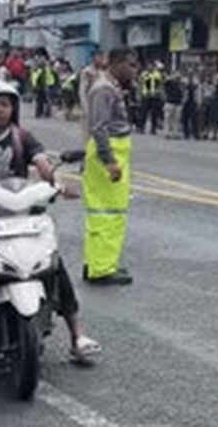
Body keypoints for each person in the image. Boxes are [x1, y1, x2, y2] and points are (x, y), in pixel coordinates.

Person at [0, 80, 101, 363]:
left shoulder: (22, 137)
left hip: (20, 216)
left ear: (13, 108)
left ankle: (78, 335)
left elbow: (41, 161)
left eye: (4, 105)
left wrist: (56, 182)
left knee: (53, 266)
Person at [83, 47, 140, 286]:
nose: (134, 70)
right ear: (116, 64)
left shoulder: (110, 86)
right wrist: (109, 162)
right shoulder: (104, 88)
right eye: (131, 64)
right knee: (109, 213)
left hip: (114, 150)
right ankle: (103, 269)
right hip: (111, 153)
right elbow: (99, 127)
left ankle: (97, 263)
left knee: (101, 212)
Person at [138, 61, 164, 135]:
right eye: (149, 66)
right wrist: (139, 94)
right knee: (143, 113)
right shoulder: (143, 74)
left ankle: (153, 129)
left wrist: (159, 93)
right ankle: (141, 128)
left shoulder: (157, 74)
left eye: (152, 66)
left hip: (154, 96)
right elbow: (140, 84)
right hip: (145, 96)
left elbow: (160, 85)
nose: (150, 67)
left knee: (154, 114)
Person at [162, 67, 184, 139]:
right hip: (169, 102)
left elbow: (183, 92)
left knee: (176, 119)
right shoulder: (169, 82)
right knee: (167, 118)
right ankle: (167, 133)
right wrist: (170, 77)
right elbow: (164, 83)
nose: (177, 76)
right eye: (176, 75)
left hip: (178, 103)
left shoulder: (181, 84)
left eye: (178, 75)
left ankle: (175, 133)